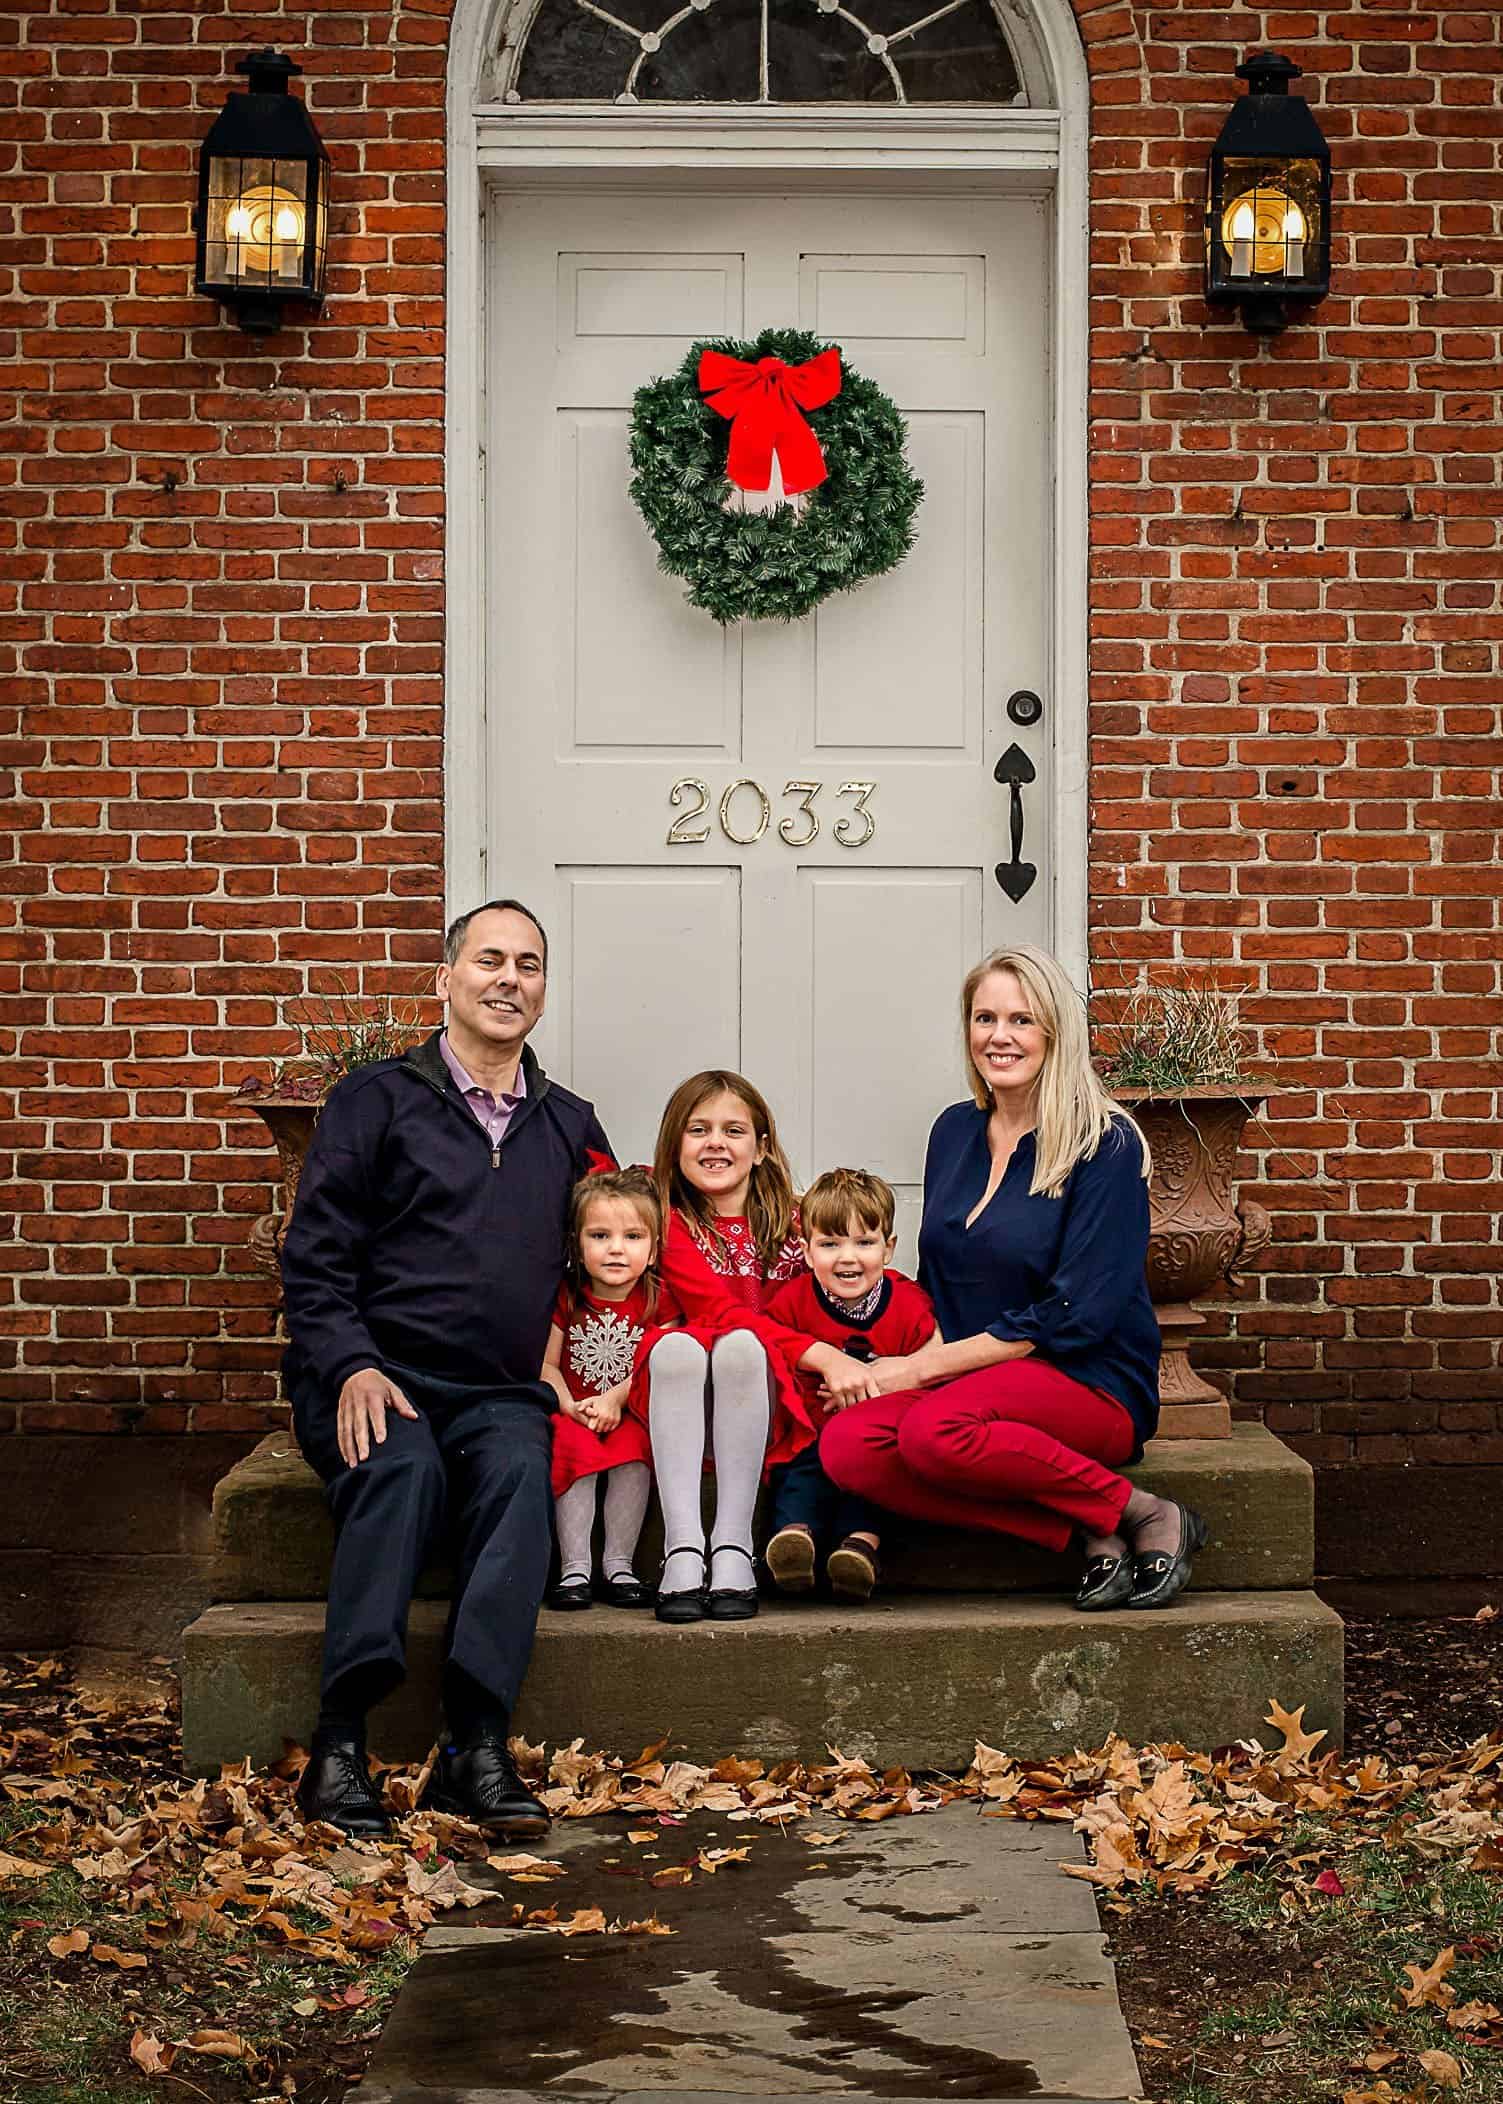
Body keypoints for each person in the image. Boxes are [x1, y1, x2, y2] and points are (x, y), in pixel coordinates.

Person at [281, 899, 613, 1839]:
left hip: (499, 1392)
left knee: (518, 1473)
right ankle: (340, 1744)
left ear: (543, 994)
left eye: (530, 965)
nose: (510, 978)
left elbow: (607, 1263)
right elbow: (313, 1257)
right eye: (490, 959)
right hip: (376, 1376)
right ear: (446, 980)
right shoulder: (374, 1101)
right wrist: (345, 1363)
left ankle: (474, 1748)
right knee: (401, 1467)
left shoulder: (572, 1126)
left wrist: (571, 1371)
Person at [821, 945, 1206, 1613]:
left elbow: (1076, 1313)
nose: (998, 1037)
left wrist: (917, 1372)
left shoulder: (1103, 1145)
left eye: (1021, 1020)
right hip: (973, 1383)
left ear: (1055, 1033)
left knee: (932, 1432)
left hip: (1088, 1378)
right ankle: (1087, 1525)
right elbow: (940, 1278)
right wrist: (896, 1359)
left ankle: (1146, 1512)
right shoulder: (953, 1131)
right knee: (848, 1445)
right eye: (984, 1018)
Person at [642, 1072, 881, 1625]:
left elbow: (858, 1288)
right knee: (701, 1343)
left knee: (744, 1350)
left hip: (770, 1397)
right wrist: (821, 1354)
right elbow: (719, 1312)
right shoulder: (665, 1220)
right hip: (686, 1398)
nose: (715, 1143)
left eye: (733, 1130)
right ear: (674, 1142)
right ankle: (682, 1544)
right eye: (697, 1129)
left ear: (763, 1146)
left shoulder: (801, 1223)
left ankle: (731, 1544)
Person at [762, 1167, 937, 1603]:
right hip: (813, 1432)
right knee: (799, 1477)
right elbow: (770, 1344)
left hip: (878, 1440)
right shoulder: (793, 1301)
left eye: (864, 1242)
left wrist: (890, 1384)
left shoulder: (910, 1305)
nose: (847, 1258)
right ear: (805, 1251)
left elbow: (931, 1369)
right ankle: (794, 1544)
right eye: (829, 1244)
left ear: (889, 1248)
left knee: (876, 1486)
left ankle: (859, 1550)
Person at [541, 1167, 679, 1613]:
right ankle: (574, 1568)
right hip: (574, 1410)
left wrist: (614, 1401)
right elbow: (545, 1364)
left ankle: (618, 1563)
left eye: (633, 1237)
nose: (616, 1249)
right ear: (577, 1247)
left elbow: (658, 1366)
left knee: (636, 1450)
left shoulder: (661, 1301)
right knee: (570, 1445)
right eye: (600, 1236)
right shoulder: (566, 1297)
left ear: (654, 1249)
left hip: (629, 1412)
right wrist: (570, 1406)